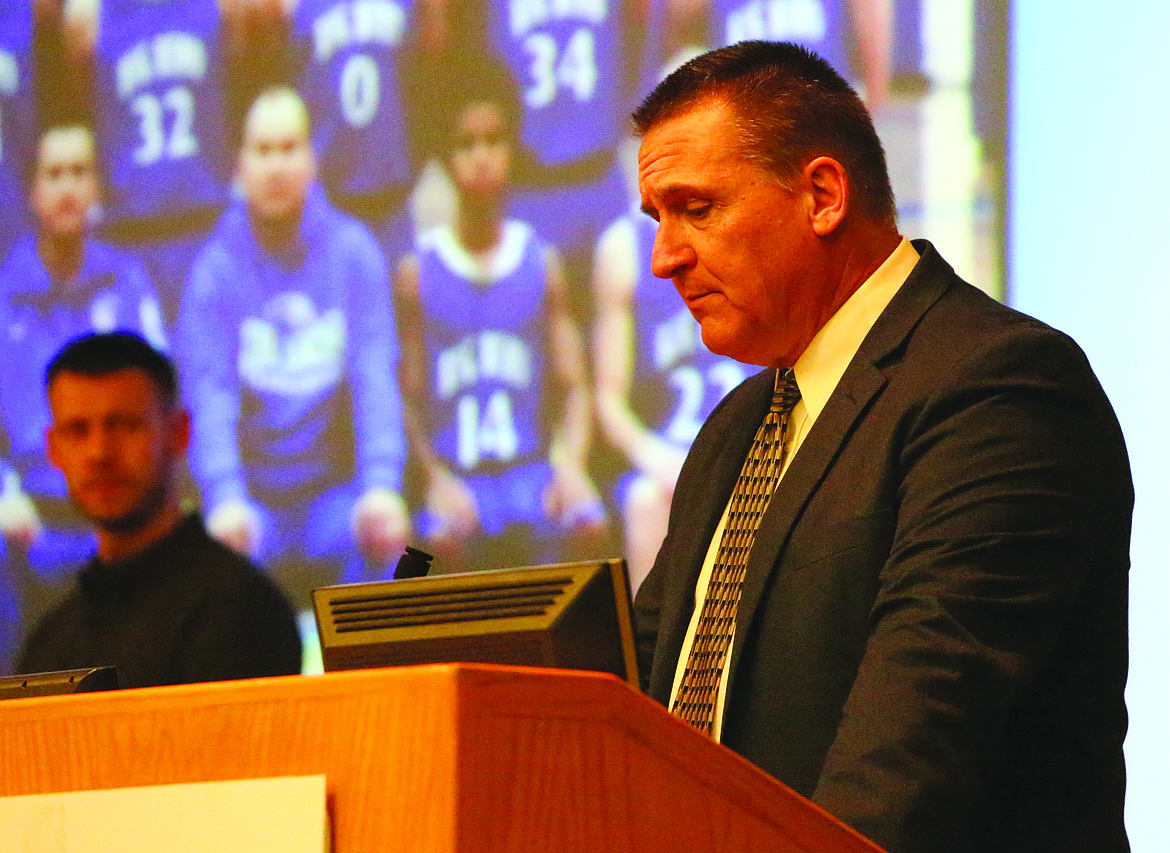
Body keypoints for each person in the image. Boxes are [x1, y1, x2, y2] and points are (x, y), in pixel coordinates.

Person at [632, 41, 1131, 853]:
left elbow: (915, 748)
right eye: (658, 220)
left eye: (697, 208)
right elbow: (641, 694)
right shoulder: (739, 425)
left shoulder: (998, 387)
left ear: (823, 194)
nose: (665, 258)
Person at [179, 86, 408, 600]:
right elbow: (208, 398)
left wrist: (381, 485)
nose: (277, 166)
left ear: (312, 160)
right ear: (240, 167)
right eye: (263, 151)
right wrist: (224, 497)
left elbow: (376, 379)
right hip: (251, 503)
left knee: (404, 550)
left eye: (289, 148)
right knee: (210, 560)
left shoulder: (354, 251)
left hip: (332, 498)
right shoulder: (213, 269)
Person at [394, 59, 605, 573]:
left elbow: (574, 385)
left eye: (494, 141)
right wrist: (434, 480)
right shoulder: (417, 272)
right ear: (446, 159)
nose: (482, 158)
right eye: (466, 145)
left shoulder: (541, 261)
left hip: (529, 471)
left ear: (512, 149)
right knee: (429, 545)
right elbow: (407, 401)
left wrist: (570, 465)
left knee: (588, 519)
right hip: (457, 476)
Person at [16, 332, 302, 688]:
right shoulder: (51, 639)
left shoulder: (241, 610)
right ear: (53, 449)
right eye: (77, 430)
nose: (99, 452)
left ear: (180, 433)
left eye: (124, 425)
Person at [0, 123, 167, 672]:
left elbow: (162, 405)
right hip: (32, 516)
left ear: (96, 187)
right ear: (32, 193)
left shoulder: (128, 280)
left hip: (122, 511)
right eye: (54, 174)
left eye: (79, 172)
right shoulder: (5, 292)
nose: (68, 187)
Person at [592, 208, 746, 593]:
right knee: (645, 500)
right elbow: (608, 401)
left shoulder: (748, 225)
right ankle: (654, 648)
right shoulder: (623, 245)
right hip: (673, 450)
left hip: (754, 440)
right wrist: (657, 459)